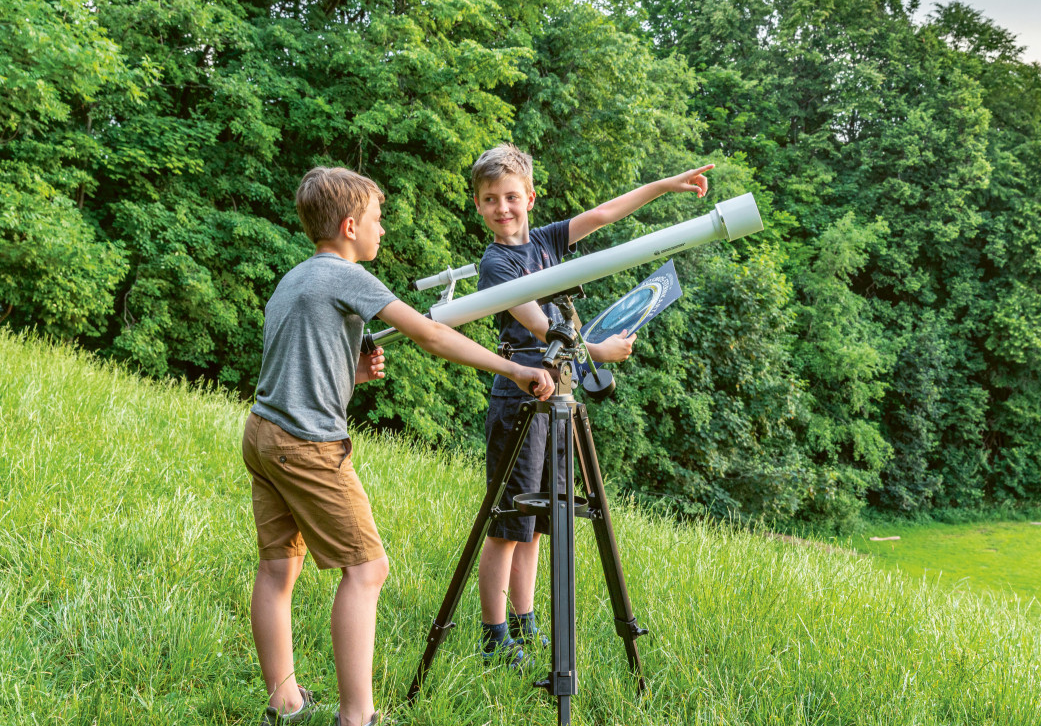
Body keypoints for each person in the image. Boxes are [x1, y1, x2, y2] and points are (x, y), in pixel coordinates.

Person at [242, 167, 554, 726]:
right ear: (348, 225)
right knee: (367, 570)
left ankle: (283, 700)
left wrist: (349, 375)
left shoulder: (294, 279)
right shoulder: (347, 276)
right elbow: (430, 333)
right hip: (309, 444)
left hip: (263, 433)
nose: (382, 232)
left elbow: (290, 360)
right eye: (377, 221)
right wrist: (512, 369)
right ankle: (357, 717)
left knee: (275, 570)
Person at [469, 143, 714, 665]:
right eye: (491, 199)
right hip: (520, 396)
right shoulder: (497, 263)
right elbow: (538, 321)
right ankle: (493, 636)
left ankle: (524, 619)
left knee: (539, 522)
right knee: (509, 522)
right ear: (479, 206)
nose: (503, 207)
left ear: (530, 197)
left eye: (512, 196)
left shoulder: (546, 240)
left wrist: (665, 185)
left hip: (559, 389)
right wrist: (598, 350)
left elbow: (604, 215)